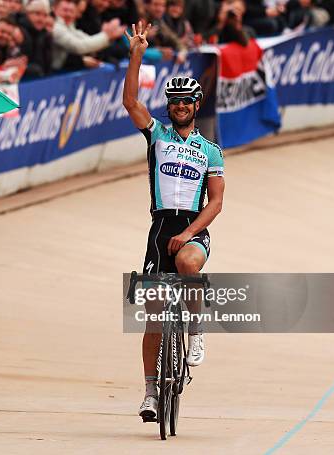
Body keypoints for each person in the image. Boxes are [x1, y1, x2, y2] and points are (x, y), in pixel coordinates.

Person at [122, 22, 225, 422]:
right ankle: (150, 392)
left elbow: (215, 203)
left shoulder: (211, 151)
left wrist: (188, 233)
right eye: (175, 101)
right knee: (153, 316)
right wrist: (136, 53)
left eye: (187, 101)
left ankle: (196, 332)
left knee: (187, 264)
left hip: (193, 228)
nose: (180, 106)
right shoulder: (158, 136)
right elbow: (131, 102)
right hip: (159, 226)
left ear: (197, 106)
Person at [51, 0, 125, 72]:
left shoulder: (69, 26)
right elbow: (79, 46)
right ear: (54, 9)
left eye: (71, 11)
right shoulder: (55, 27)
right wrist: (107, 36)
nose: (68, 14)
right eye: (65, 10)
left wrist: (108, 37)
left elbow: (86, 39)